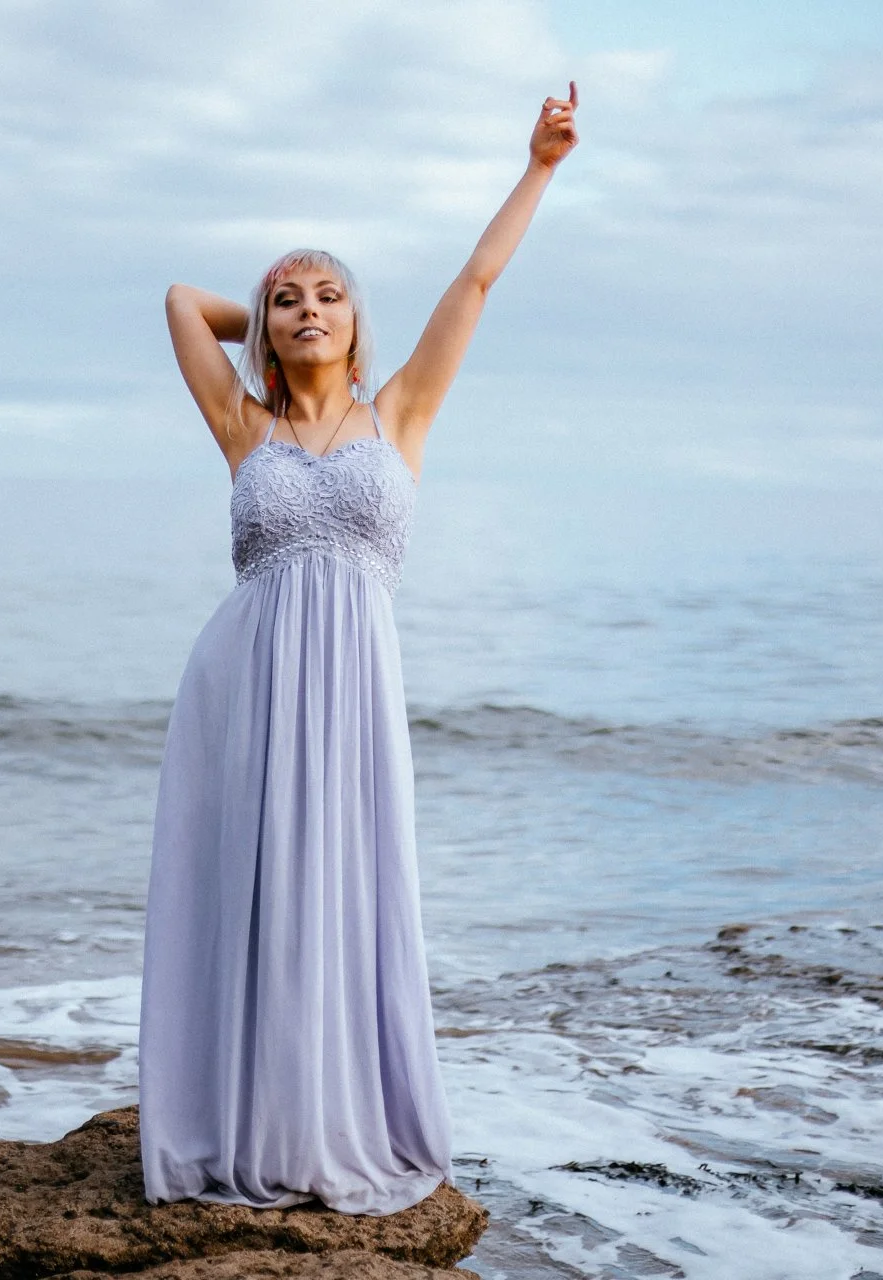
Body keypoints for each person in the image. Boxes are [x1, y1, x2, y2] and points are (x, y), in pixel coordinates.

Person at [139, 85, 581, 1216]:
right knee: (258, 900)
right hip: (247, 687)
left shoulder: (402, 413)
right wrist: (261, 321)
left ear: (357, 316)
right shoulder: (244, 425)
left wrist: (537, 165)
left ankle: (339, 1118)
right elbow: (183, 303)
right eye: (285, 299)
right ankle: (256, 1120)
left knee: (350, 892)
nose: (304, 309)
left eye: (327, 295)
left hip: (353, 691)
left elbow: (474, 281)